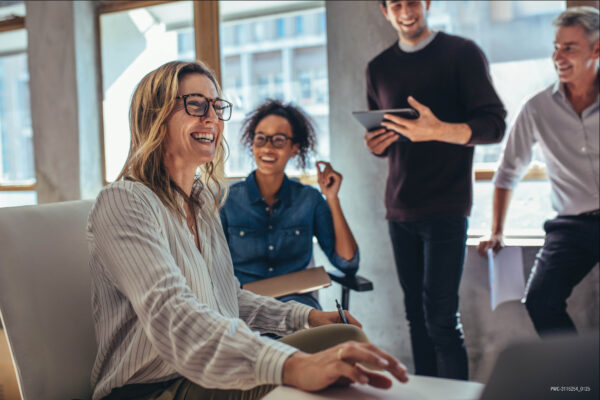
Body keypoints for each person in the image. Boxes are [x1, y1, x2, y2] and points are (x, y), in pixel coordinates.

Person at [87, 60, 408, 400]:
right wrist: (294, 365)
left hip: (207, 370)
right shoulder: (124, 201)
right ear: (155, 115)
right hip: (152, 389)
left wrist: (308, 317)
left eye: (216, 106)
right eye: (196, 104)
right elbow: (173, 315)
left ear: (293, 149)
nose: (211, 118)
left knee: (345, 339)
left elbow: (228, 298)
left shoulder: (203, 201)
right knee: (322, 372)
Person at [364, 0, 506, 380]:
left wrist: (438, 130)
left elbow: (494, 126)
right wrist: (378, 145)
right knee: (416, 318)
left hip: (447, 205)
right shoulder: (378, 68)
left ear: (427, 3)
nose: (406, 11)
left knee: (441, 320)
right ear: (385, 10)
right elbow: (383, 136)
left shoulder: (462, 53)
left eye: (413, 2)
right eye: (396, 4)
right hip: (399, 207)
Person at [478, 7, 599, 337]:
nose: (558, 56)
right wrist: (496, 231)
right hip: (571, 225)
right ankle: (577, 383)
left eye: (569, 48)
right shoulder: (537, 108)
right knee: (540, 300)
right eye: (556, 47)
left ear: (597, 49)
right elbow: (507, 172)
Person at [220, 99, 359, 310]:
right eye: (261, 139)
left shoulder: (309, 200)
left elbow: (347, 262)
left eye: (278, 140)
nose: (267, 147)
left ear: (295, 148)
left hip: (299, 308)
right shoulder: (226, 201)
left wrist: (332, 198)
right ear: (252, 144)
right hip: (243, 309)